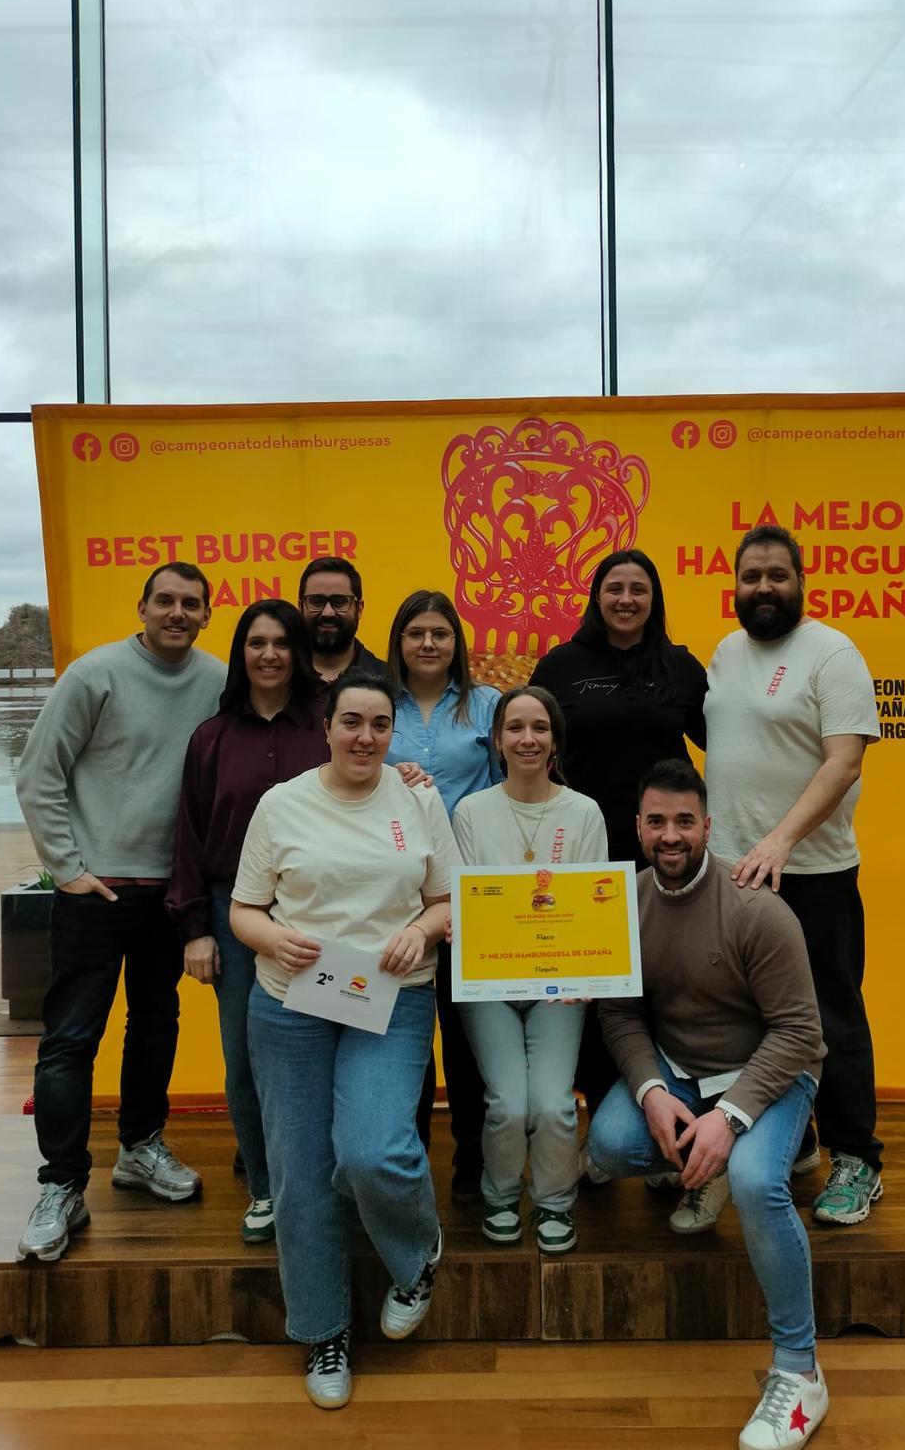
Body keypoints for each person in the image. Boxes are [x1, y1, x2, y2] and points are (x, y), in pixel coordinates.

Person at [230, 670, 457, 1411]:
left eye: (380, 725)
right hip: (291, 1002)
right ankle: (323, 1331)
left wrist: (418, 932)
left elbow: (447, 900)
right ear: (325, 726)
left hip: (392, 1000)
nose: (365, 736)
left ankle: (416, 1256)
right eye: (351, 721)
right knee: (300, 1171)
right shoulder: (282, 803)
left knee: (372, 1148)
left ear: (394, 733)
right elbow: (243, 909)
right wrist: (275, 936)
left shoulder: (418, 797)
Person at [589, 759, 828, 1450]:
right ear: (637, 828)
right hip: (681, 1071)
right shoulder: (622, 902)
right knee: (608, 1144)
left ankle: (799, 1371)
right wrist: (652, 1092)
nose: (671, 835)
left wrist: (730, 1119)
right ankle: (726, 1146)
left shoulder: (756, 907)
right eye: (657, 821)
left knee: (755, 1182)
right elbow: (621, 1015)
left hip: (769, 1070)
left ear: (707, 827)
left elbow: (800, 1033)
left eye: (684, 822)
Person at [14, 563, 225, 1264]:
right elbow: (38, 771)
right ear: (142, 607)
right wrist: (68, 871)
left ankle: (139, 1148)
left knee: (155, 1022)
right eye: (164, 600)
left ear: (206, 614)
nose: (176, 611)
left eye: (190, 603)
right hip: (95, 890)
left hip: (170, 892)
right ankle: (61, 1184)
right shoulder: (94, 674)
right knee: (72, 1038)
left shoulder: (218, 681)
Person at [705, 524, 883, 1227]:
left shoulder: (832, 652)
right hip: (731, 876)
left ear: (800, 581)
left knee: (829, 1019)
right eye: (752, 576)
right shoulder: (724, 651)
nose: (764, 588)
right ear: (736, 585)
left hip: (811, 873)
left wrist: (780, 839)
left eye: (777, 575)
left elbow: (844, 760)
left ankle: (857, 1161)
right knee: (751, 1023)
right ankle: (797, 1143)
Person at [532, 549, 707, 1143]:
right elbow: (528, 749)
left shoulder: (682, 668)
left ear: (654, 599)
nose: (626, 599)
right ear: (596, 596)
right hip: (585, 859)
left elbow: (724, 748)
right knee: (595, 997)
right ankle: (610, 1120)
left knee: (665, 986)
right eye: (614, 588)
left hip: (668, 859)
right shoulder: (560, 666)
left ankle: (680, 1123)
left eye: (639, 588)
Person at [166, 599, 327, 1246]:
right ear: (241, 653)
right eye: (256, 643)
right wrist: (195, 929)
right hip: (235, 913)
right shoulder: (211, 738)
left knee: (319, 1054)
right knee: (245, 1063)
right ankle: (265, 1187)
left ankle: (321, 1184)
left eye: (281, 643)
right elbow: (189, 837)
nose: (268, 654)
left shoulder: (326, 727)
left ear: (298, 652)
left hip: (319, 916)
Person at [453, 685, 607, 1253]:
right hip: (489, 985)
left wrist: (592, 972)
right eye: (514, 728)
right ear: (496, 741)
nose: (527, 739)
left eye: (539, 728)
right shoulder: (470, 811)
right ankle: (499, 1195)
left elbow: (596, 908)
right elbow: (466, 906)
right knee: (508, 1105)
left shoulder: (583, 812)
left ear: (555, 740)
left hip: (559, 986)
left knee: (551, 1104)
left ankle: (554, 1203)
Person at [385, 589, 500, 1199]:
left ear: (457, 643)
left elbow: (513, 792)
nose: (428, 644)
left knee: (465, 1037)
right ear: (398, 642)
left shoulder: (487, 707)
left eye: (440, 633)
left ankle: (473, 1164)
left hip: (473, 897)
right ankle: (409, 1162)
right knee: (405, 1033)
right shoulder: (379, 707)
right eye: (415, 633)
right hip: (395, 895)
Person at [297, 556, 386, 682]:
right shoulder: (279, 678)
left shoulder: (390, 682)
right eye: (316, 602)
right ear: (300, 607)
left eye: (339, 602)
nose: (328, 613)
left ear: (359, 609)